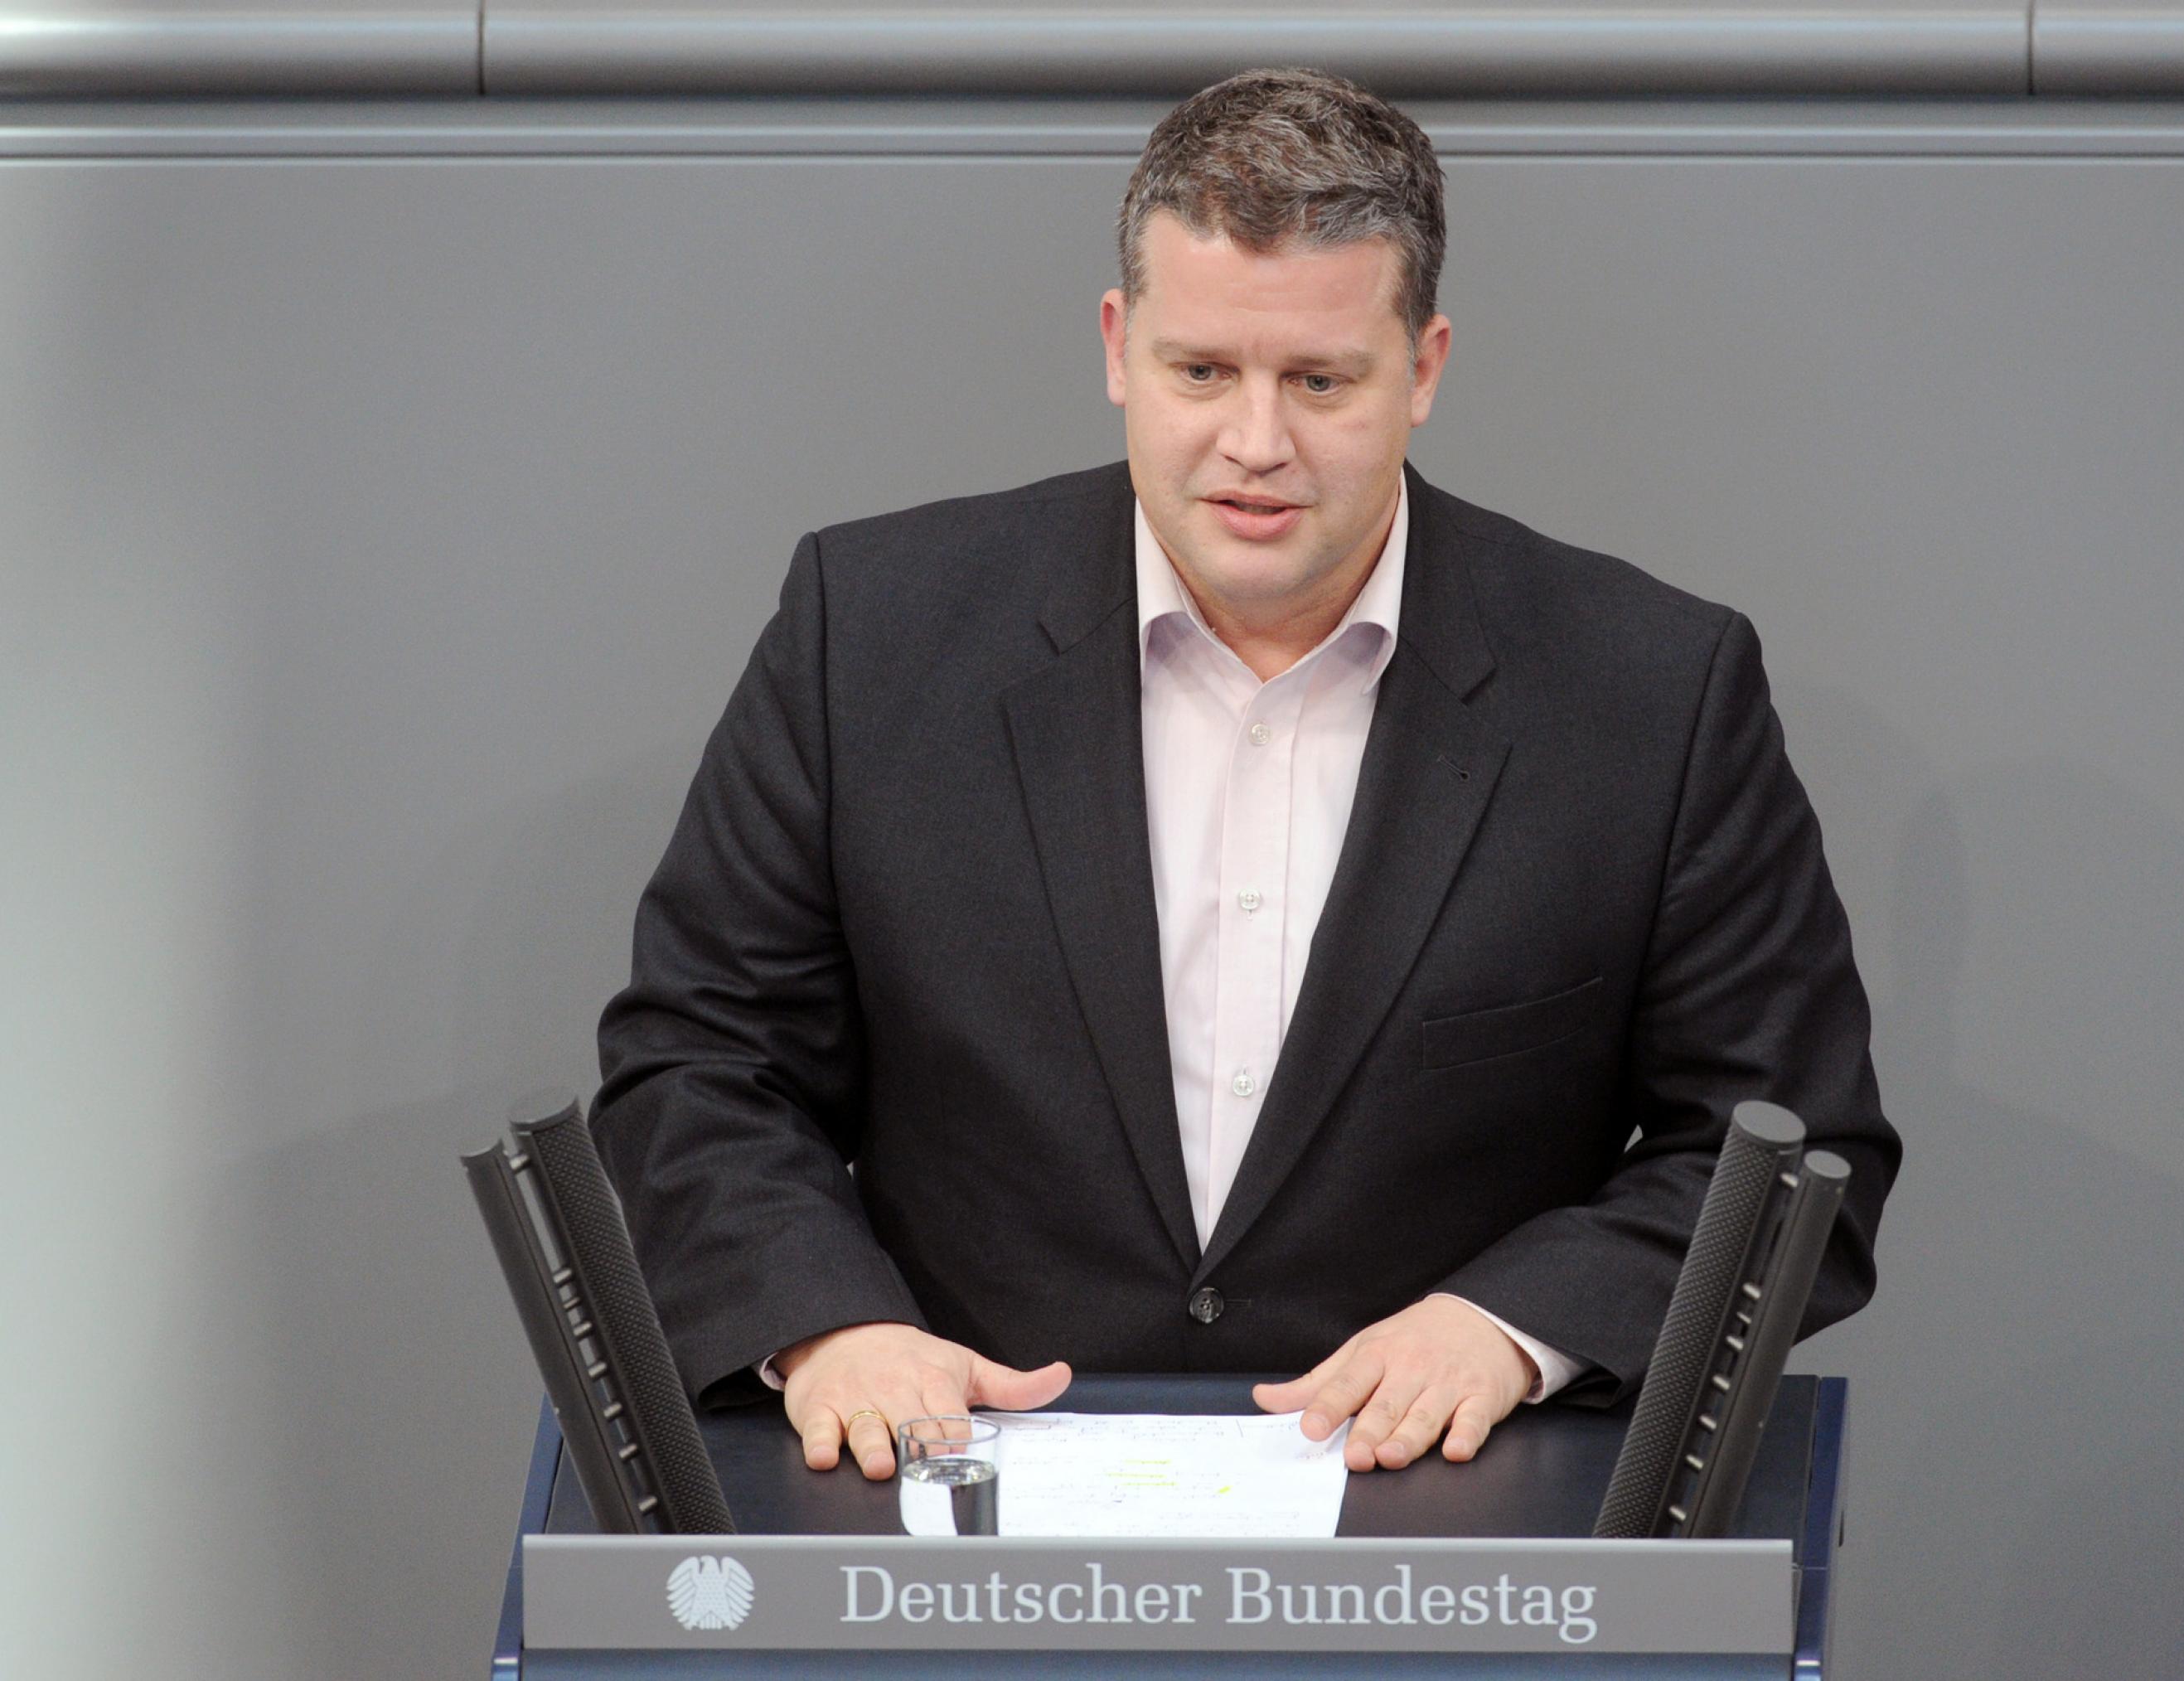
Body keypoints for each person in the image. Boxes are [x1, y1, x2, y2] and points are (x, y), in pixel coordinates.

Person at [589, 66, 1900, 1486]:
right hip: (948, 1507)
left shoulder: (1653, 690)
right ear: (1116, 345)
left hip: (1450, 1533)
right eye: (1201, 371)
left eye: (1320, 381)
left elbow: (1789, 1157)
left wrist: (1517, 1327)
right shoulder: (872, 629)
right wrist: (825, 1327)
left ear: (1427, 367)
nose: (1255, 445)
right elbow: (699, 1065)